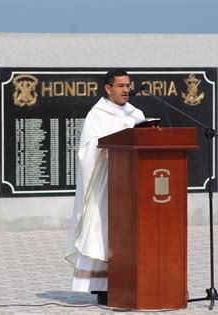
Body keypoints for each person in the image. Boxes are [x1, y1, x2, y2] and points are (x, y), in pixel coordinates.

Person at [65, 69, 145, 305]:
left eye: (128, 85)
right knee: (104, 232)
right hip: (107, 184)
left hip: (134, 185)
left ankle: (134, 279)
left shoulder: (136, 113)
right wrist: (111, 145)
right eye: (120, 86)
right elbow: (88, 149)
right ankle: (104, 285)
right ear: (108, 88)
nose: (126, 90)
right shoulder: (97, 114)